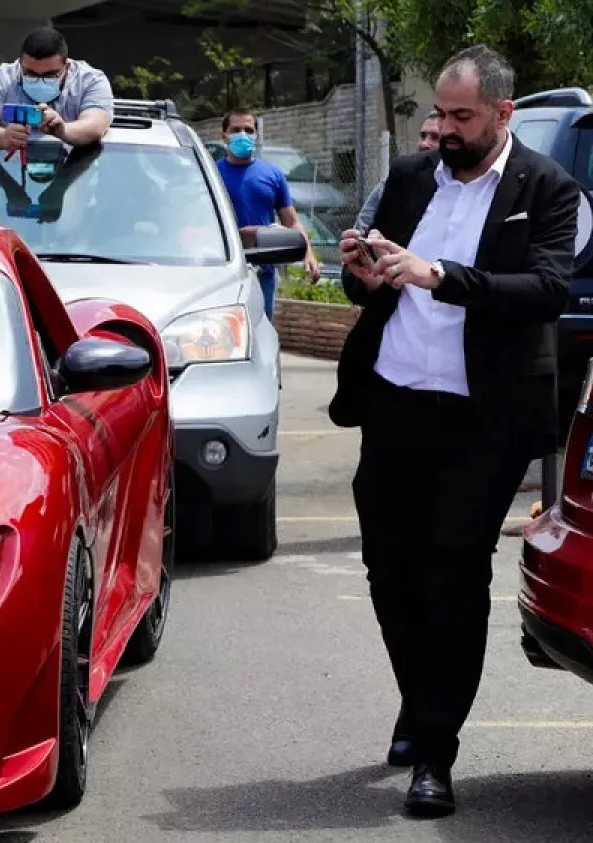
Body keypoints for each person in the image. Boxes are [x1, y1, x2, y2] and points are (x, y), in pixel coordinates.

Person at [331, 44, 581, 818]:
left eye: (460, 115)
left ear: (503, 114)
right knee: (390, 565)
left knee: (453, 569)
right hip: (398, 405)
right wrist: (364, 272)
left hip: (487, 417)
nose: (442, 128)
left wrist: (438, 275)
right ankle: (421, 694)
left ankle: (435, 750)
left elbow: (546, 288)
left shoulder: (548, 186)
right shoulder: (409, 179)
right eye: (438, 112)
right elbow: (368, 284)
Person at [214, 107, 321, 319]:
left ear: (256, 135)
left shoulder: (273, 175)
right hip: (224, 271)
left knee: (263, 333)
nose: (243, 135)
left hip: (263, 273)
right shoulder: (212, 173)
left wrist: (308, 253)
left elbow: (291, 222)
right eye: (236, 130)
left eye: (249, 130)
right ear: (224, 136)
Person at [0, 27, 114, 153]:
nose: (40, 80)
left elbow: (94, 126)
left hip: (76, 186)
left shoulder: (91, 81)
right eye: (31, 73)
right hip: (7, 177)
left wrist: (62, 130)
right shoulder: (1, 79)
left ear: (67, 67)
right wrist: (3, 137)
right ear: (20, 64)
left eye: (50, 75)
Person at [354, 111, 443, 231]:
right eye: (423, 136)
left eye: (435, 137)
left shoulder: (455, 187)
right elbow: (363, 225)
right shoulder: (398, 180)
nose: (424, 144)